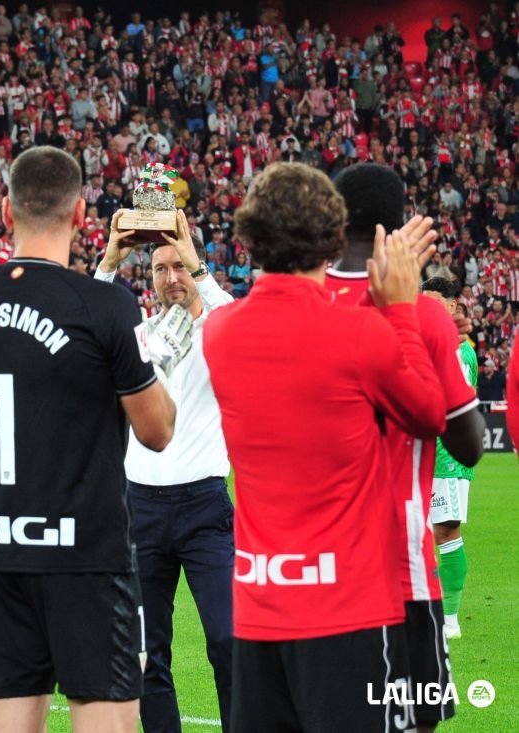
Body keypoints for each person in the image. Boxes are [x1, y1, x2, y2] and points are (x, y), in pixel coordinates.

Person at [0, 147, 184, 733]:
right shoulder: (105, 306)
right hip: (88, 558)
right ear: (81, 213)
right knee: (106, 720)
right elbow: (157, 432)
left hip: (0, 551)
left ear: (5, 210)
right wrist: (159, 362)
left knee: (10, 722)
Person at [202, 162, 447, 732]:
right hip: (347, 610)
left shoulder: (220, 333)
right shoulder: (361, 336)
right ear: (335, 239)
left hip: (261, 602)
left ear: (248, 239)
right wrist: (401, 311)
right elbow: (429, 413)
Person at [327, 163, 484, 732]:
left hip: (309, 571)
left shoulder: (303, 303)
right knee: (413, 722)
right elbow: (469, 445)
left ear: (334, 217)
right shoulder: (423, 314)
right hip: (399, 571)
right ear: (396, 229)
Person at [94, 213, 235, 733]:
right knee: (147, 653)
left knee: (228, 639)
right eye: (159, 268)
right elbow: (86, 323)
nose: (170, 277)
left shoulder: (221, 329)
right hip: (141, 510)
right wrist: (110, 260)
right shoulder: (138, 335)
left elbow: (235, 319)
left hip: (204, 507)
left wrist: (200, 273)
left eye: (179, 266)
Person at [421, 278, 477, 640]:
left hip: (447, 457)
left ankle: (451, 620)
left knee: (446, 531)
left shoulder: (459, 349)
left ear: (454, 305)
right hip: (421, 454)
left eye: (435, 301)